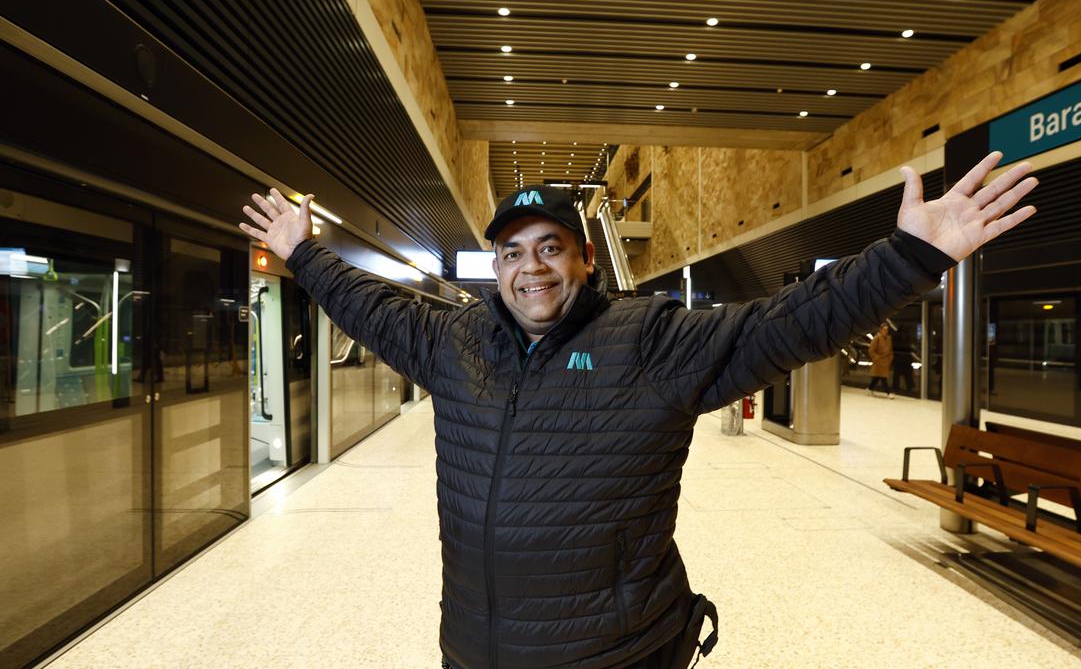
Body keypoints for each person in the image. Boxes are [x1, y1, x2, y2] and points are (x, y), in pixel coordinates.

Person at [238, 151, 1037, 669]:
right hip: (476, 649)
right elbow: (367, 306)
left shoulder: (649, 341)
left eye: (551, 246)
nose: (532, 269)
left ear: (586, 258)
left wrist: (910, 258)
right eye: (513, 252)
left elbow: (786, 325)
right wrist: (305, 253)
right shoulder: (458, 342)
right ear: (496, 269)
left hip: (614, 654)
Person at [867, 323, 894, 397]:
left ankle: (870, 388)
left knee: (878, 377)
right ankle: (888, 393)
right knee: (883, 377)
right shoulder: (877, 338)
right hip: (879, 361)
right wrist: (876, 357)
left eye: (887, 330)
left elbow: (890, 350)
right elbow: (871, 350)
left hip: (885, 361)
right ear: (881, 330)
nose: (886, 331)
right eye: (884, 330)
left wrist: (890, 358)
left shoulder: (889, 338)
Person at [891, 324, 918, 396]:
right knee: (898, 375)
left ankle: (909, 387)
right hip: (899, 360)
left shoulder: (905, 340)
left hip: (905, 360)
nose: (904, 334)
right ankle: (897, 387)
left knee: (907, 375)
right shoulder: (898, 340)